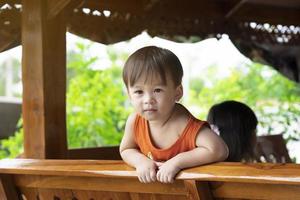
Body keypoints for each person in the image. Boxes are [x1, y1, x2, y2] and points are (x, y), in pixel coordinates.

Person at [119, 46, 228, 184]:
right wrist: (140, 161)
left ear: (177, 92)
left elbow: (219, 149)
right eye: (139, 92)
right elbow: (127, 149)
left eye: (157, 90)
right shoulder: (135, 121)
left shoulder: (184, 125)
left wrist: (177, 162)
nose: (148, 100)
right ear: (129, 95)